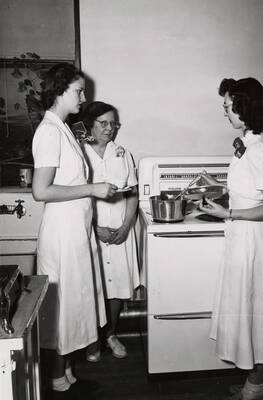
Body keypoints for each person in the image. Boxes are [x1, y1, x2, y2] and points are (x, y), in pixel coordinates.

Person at [32, 63, 117, 394]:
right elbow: (41, 191)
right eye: (78, 90)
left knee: (76, 304)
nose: (84, 96)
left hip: (75, 229)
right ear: (59, 91)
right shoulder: (49, 131)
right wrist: (92, 190)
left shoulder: (63, 128)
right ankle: (57, 378)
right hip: (62, 233)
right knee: (62, 308)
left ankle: (66, 373)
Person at [199, 78, 263, 400]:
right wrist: (217, 186)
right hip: (242, 238)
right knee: (249, 310)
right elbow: (249, 192)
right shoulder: (250, 141)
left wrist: (229, 214)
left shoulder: (260, 148)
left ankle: (255, 387)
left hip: (253, 242)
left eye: (227, 107)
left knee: (255, 312)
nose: (225, 113)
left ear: (244, 107)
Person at [82, 101, 140, 360]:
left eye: (113, 123)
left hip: (119, 231)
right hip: (89, 230)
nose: (109, 128)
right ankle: (92, 339)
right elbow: (76, 197)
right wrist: (94, 229)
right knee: (93, 285)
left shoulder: (122, 153)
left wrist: (127, 226)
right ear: (90, 124)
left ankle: (111, 334)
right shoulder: (79, 153)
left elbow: (133, 194)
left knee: (117, 284)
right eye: (103, 123)